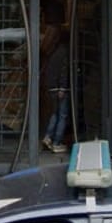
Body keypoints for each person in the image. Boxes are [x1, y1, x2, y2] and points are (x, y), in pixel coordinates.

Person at [41, 26, 70, 154]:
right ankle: (57, 142)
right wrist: (62, 87)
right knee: (62, 115)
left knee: (54, 114)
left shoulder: (53, 51)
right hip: (59, 88)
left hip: (51, 86)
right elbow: (64, 71)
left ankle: (48, 137)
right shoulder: (64, 52)